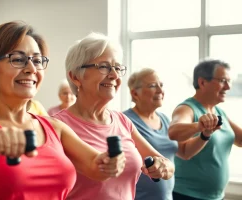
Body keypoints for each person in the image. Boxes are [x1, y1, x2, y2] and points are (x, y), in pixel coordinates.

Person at [0, 21, 126, 200]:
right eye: (18, 59)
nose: (31, 69)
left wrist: (111, 162)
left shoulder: (54, 127)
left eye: (37, 61)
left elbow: (97, 167)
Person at [53, 32, 175, 200]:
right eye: (103, 66)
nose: (114, 75)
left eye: (117, 68)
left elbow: (165, 163)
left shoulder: (123, 121)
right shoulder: (56, 126)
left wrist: (163, 166)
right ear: (75, 77)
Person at [169, 59, 242, 200]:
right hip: (186, 195)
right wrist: (199, 126)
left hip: (215, 196)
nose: (228, 87)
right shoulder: (187, 108)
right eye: (222, 81)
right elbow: (174, 131)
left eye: (229, 81)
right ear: (202, 82)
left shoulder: (219, 112)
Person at [123, 68, 178, 200]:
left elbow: (185, 152)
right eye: (153, 85)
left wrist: (205, 133)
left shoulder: (165, 119)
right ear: (135, 93)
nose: (160, 90)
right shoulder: (125, 121)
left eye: (161, 85)